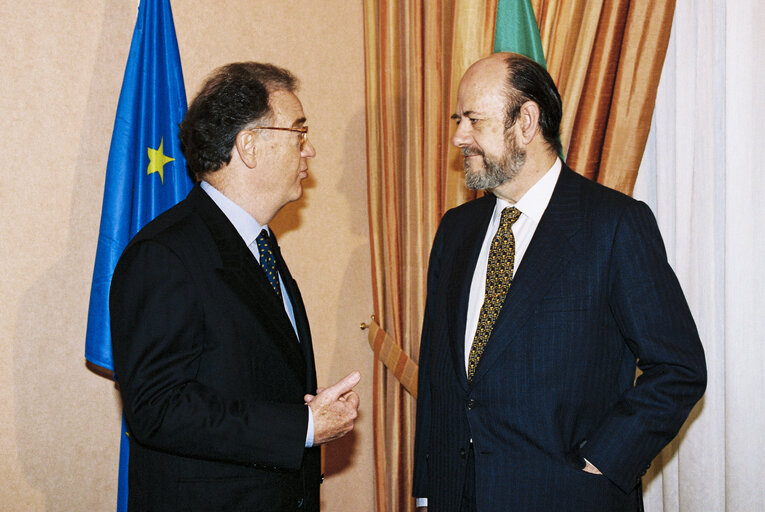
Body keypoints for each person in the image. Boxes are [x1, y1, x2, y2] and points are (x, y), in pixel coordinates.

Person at [412, 53, 706, 511]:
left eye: (473, 120)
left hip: (567, 496)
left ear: (526, 121)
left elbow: (679, 368)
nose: (458, 137)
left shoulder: (614, 225)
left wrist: (604, 460)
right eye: (458, 119)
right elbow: (437, 370)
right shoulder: (456, 229)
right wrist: (429, 488)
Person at [110, 62, 360, 512]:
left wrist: (308, 413)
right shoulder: (165, 254)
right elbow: (158, 408)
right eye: (298, 134)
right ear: (248, 145)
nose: (311, 151)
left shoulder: (260, 246)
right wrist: (301, 427)